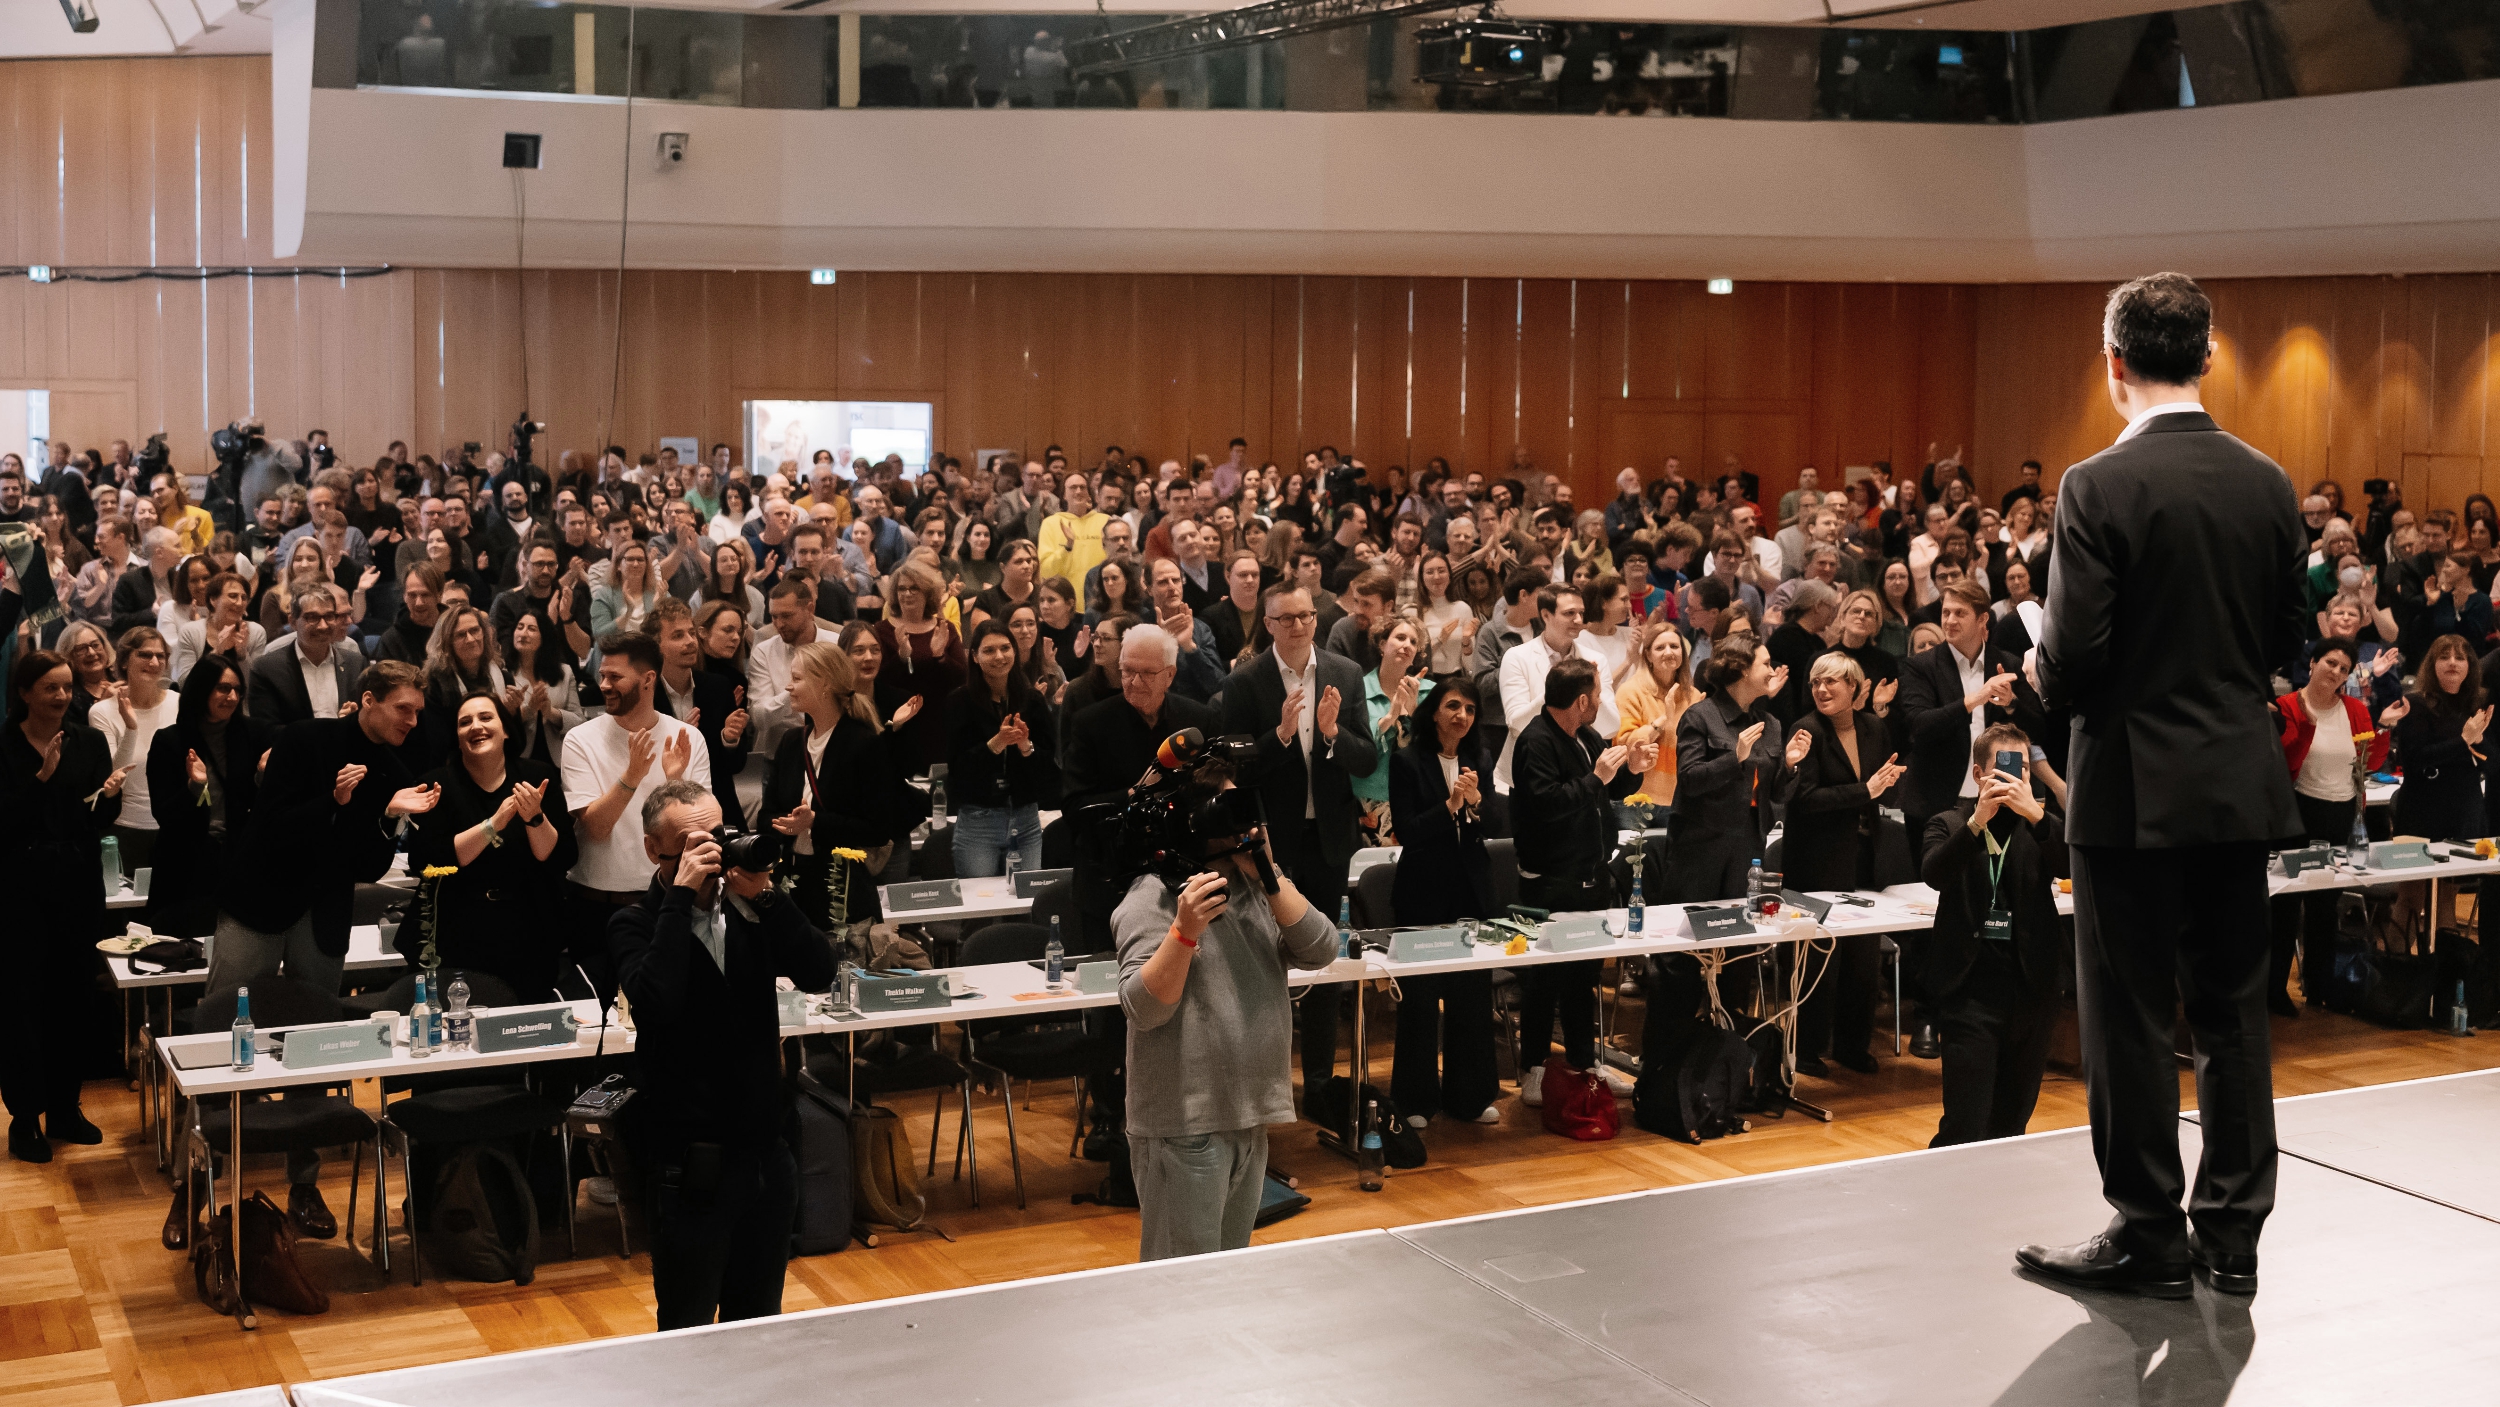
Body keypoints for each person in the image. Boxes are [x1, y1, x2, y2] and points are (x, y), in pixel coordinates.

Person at [2024, 271, 2308, 1299]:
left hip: (2130, 795)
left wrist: (2032, 676)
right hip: (2235, 787)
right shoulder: (2269, 482)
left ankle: (2148, 1230)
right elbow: (2286, 641)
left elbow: (2076, 664)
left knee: (2132, 1016)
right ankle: (2231, 1236)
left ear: (2112, 364)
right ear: (2207, 355)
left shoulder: (2095, 486)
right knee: (2233, 1011)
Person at [208, 659, 438, 1229]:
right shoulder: (304, 740)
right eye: (402, 708)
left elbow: (369, 863)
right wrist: (337, 805)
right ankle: (201, 1176)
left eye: (417, 711)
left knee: (315, 1044)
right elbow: (272, 827)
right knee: (221, 1032)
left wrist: (384, 816)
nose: (412, 720)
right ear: (368, 701)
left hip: (323, 915)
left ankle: (303, 1184)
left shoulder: (391, 768)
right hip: (260, 902)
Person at [610, 779, 834, 1328]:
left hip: (766, 1156)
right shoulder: (633, 924)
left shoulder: (751, 913)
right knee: (686, 1329)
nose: (712, 851)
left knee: (758, 1323)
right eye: (694, 844)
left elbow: (818, 971)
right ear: (653, 850)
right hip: (692, 1170)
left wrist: (764, 894)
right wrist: (681, 898)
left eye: (719, 836)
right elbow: (657, 1001)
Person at [1113, 762, 1339, 1260]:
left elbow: (1322, 949)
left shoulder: (1257, 886)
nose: (1246, 824)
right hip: (1184, 1124)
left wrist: (1271, 878)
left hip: (1249, 1113)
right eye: (1229, 810)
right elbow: (1144, 1009)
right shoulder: (1153, 897)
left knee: (1227, 1280)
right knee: (1181, 1287)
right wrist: (1184, 930)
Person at [1218, 582, 1376, 1092]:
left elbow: (1366, 760)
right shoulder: (1245, 683)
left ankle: (1321, 1081)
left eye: (1307, 616)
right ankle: (1265, 1080)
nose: (1300, 626)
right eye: (1287, 619)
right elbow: (1235, 770)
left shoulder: (1345, 674)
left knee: (1324, 954)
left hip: (1328, 837)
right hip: (1269, 844)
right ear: (1268, 625)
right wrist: (1283, 735)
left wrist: (1332, 734)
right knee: (1266, 960)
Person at [3, 650, 128, 1162]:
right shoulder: (5, 744)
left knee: (72, 999)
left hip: (75, 885)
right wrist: (41, 777)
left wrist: (112, 794)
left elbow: (96, 818)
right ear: (25, 693)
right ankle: (26, 1117)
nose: (62, 697)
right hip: (19, 890)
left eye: (67, 687)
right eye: (51, 688)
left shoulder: (89, 740)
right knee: (23, 1006)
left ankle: (65, 1108)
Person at [1921, 725, 2069, 1147]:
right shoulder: (1949, 822)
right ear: (1979, 774)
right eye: (2002, 767)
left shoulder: (2039, 827)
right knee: (1965, 1125)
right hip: (1969, 994)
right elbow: (1935, 873)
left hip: (2032, 991)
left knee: (2011, 1125)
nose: (2012, 776)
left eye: (2021, 768)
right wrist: (1976, 822)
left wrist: (2037, 815)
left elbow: (2073, 866)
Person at [1512, 658, 1651, 1104]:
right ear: (1582, 700)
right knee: (1544, 979)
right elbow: (1547, 805)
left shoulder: (1586, 736)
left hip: (1591, 875)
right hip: (1550, 880)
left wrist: (1633, 767)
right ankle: (1533, 1068)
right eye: (1598, 695)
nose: (1601, 704)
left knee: (1583, 977)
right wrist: (1596, 778)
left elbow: (1607, 787)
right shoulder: (1535, 742)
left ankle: (1585, 1063)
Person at [1781, 653, 1908, 1076]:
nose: (1821, 689)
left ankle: (1852, 1045)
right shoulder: (1806, 730)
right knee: (1821, 957)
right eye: (1816, 681)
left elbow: (1879, 792)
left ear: (1854, 688)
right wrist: (1865, 791)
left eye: (1832, 682)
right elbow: (1806, 799)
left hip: (1865, 858)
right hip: (1816, 860)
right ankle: (1809, 1048)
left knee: (1862, 957)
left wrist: (1886, 786)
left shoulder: (1874, 727)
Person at [562, 633, 712, 985]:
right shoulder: (580, 740)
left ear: (647, 680)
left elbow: (701, 831)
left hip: (667, 904)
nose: (604, 685)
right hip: (597, 907)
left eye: (615, 677)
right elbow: (596, 829)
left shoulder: (686, 738)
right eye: (602, 675)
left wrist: (673, 782)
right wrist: (632, 777)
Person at [408, 691, 577, 994]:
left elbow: (560, 857)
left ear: (507, 730)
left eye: (486, 717)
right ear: (457, 737)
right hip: (457, 932)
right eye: (465, 722)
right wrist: (493, 825)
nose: (476, 726)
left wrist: (535, 818)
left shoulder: (537, 775)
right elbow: (428, 861)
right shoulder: (436, 785)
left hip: (530, 929)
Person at [1386, 676, 1500, 1127]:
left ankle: (1470, 1096)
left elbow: (1491, 823)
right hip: (1422, 892)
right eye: (1453, 706)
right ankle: (1415, 1100)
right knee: (1418, 1001)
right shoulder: (1407, 762)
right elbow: (1408, 832)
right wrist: (1450, 806)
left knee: (1471, 998)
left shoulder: (1477, 759)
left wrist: (1476, 802)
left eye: (1470, 710)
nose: (1462, 716)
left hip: (1470, 890)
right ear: (1434, 711)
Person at [2267, 637, 2397, 1016]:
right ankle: (2275, 990)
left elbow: (2369, 759)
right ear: (2312, 663)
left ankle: (2320, 985)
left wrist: (2384, 729)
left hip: (2340, 811)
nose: (2337, 672)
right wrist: (2307, 725)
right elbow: (2284, 761)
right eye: (2330, 663)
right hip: (2297, 811)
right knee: (2287, 907)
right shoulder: (2287, 706)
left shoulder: (2355, 709)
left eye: (2344, 668)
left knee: (2326, 906)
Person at [758, 640, 921, 935]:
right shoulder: (791, 742)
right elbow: (766, 814)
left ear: (823, 684)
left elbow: (877, 828)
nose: (788, 687)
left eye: (796, 679)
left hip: (844, 890)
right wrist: (786, 826)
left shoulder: (863, 744)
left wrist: (816, 823)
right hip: (794, 886)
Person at [1898, 578, 2045, 850]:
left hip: (1997, 801)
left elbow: (2037, 730)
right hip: (1934, 801)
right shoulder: (1921, 667)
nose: (1950, 620)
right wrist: (1974, 699)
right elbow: (1920, 725)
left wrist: (2012, 704)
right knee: (1927, 888)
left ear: (1983, 619)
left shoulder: (2009, 664)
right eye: (1946, 612)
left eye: (1960, 613)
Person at [142, 657, 267, 940]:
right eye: (223, 688)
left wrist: (263, 776)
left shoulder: (255, 735)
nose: (232, 697)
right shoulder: (170, 741)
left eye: (237, 689)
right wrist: (195, 788)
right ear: (202, 690)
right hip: (186, 866)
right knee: (182, 956)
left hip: (239, 863)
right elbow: (164, 814)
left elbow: (266, 804)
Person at [945, 619, 1059, 877]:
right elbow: (958, 770)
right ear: (974, 657)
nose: (999, 656)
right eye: (989, 650)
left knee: (1025, 901)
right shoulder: (959, 702)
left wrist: (1024, 746)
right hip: (978, 822)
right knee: (981, 905)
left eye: (1005, 648)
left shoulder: (1032, 700)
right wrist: (995, 744)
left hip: (1026, 819)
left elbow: (1048, 768)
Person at [92, 626, 178, 872]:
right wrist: (131, 728)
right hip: (124, 829)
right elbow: (114, 775)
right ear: (124, 661)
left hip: (171, 828)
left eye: (160, 656)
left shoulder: (179, 704)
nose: (154, 662)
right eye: (144, 654)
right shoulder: (102, 712)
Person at [873, 561, 964, 774]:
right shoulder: (881, 630)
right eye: (902, 588)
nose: (907, 594)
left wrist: (940, 656)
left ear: (928, 593)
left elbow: (962, 678)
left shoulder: (945, 628)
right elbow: (876, 682)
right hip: (896, 723)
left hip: (937, 722)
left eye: (914, 588)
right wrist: (901, 658)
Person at [248, 584, 366, 728]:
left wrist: (353, 721)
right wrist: (334, 731)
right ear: (293, 622)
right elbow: (267, 731)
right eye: (312, 617)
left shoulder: (356, 664)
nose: (323, 626)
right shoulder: (267, 669)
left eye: (329, 616)